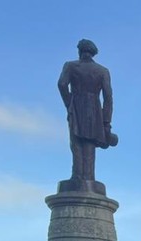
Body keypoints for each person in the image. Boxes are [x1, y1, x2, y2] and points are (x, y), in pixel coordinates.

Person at [58, 39, 116, 182]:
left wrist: (69, 103)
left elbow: (62, 84)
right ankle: (88, 177)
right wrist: (106, 121)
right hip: (94, 109)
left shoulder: (71, 66)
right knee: (90, 143)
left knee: (76, 141)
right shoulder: (102, 71)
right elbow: (108, 98)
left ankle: (77, 176)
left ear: (80, 51)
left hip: (76, 104)